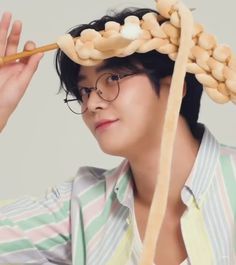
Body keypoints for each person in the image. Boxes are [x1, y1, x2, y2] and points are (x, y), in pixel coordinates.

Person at [0, 7, 235, 265]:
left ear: (173, 86)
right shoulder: (80, 208)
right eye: (85, 90)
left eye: (112, 77)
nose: (91, 104)